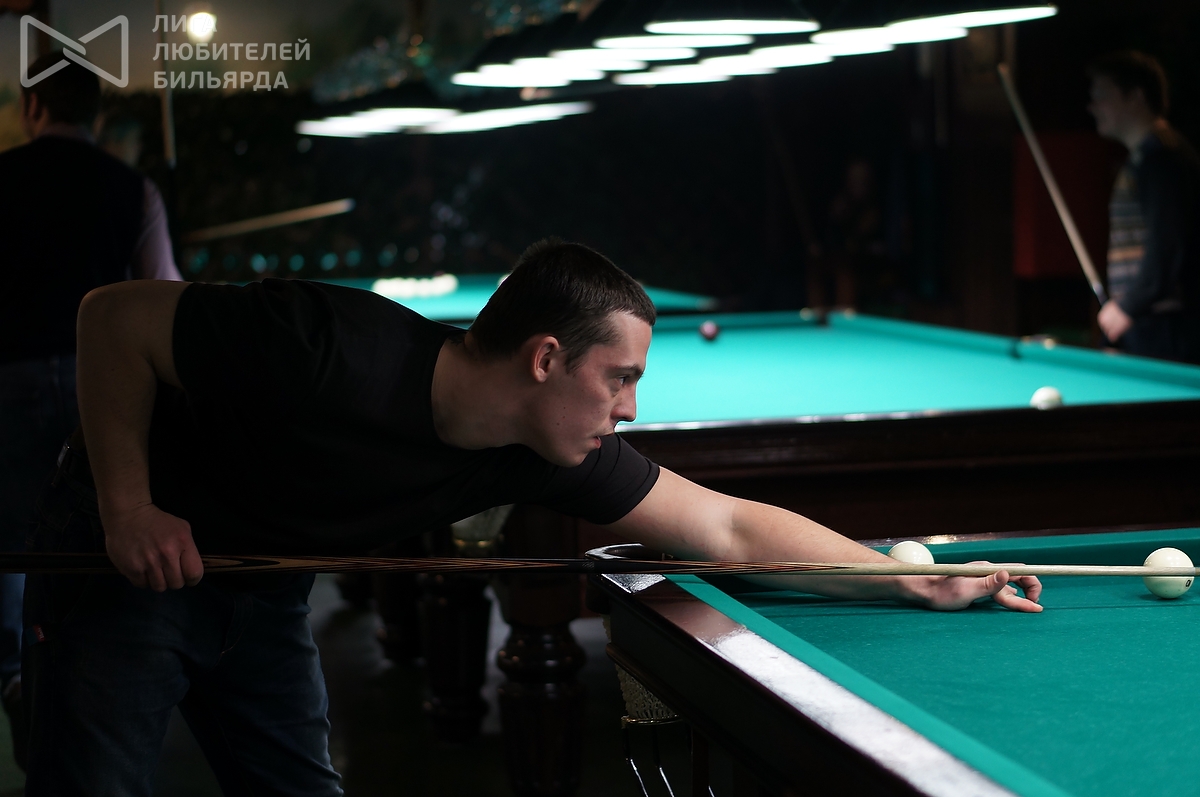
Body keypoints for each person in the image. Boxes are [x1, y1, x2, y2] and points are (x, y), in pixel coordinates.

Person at [24, 239, 1042, 796]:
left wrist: (908, 576)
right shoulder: (325, 344)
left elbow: (725, 525)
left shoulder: (544, 447)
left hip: (262, 585)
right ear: (546, 358)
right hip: (124, 569)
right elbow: (114, 315)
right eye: (620, 376)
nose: (630, 408)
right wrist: (129, 505)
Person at [0, 54, 182, 770]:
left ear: (31, 108)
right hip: (104, 384)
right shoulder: (131, 188)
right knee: (108, 526)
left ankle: (18, 680)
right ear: (97, 114)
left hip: (6, 379)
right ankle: (99, 686)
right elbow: (163, 294)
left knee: (11, 543)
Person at [1087, 51, 1200, 363]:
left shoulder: (1163, 158)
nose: (1092, 106)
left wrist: (1128, 307)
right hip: (1153, 323)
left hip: (1167, 328)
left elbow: (1169, 244)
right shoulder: (1149, 157)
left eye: (1102, 95)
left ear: (1136, 96)